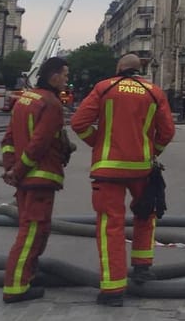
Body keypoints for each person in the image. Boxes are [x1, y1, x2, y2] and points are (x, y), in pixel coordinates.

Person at [70, 54, 175, 307]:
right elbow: (167, 132)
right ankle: (142, 268)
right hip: (142, 168)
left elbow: (79, 123)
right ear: (140, 69)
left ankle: (112, 289)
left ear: (119, 67)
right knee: (145, 216)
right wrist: (152, 152)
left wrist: (98, 143)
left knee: (111, 226)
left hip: (108, 169)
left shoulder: (104, 87)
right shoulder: (154, 92)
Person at [0, 56, 74, 304]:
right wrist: (19, 171)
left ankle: (28, 276)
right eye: (65, 74)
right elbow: (39, 143)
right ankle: (16, 287)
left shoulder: (25, 99)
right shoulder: (51, 104)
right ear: (54, 76)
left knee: (35, 231)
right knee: (31, 233)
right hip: (40, 178)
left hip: (24, 180)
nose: (66, 80)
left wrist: (11, 168)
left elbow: (8, 139)